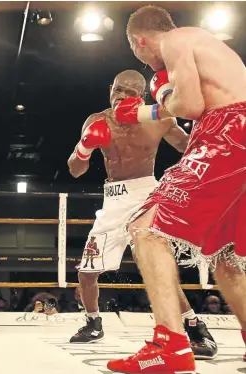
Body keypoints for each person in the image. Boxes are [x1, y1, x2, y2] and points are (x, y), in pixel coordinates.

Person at [106, 6, 246, 373]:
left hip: (228, 133)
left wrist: (148, 106)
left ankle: (171, 345)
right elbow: (197, 108)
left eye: (140, 55)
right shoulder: (207, 46)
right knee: (225, 254)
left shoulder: (178, 39)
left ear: (140, 41)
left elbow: (190, 105)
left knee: (145, 228)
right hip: (233, 136)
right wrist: (158, 104)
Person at [67, 70, 217, 359]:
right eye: (118, 90)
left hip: (147, 194)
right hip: (112, 199)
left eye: (130, 92)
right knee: (87, 271)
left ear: (141, 96)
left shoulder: (158, 119)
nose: (121, 96)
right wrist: (84, 147)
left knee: (154, 267)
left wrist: (206, 121)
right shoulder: (97, 120)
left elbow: (190, 147)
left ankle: (195, 327)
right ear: (110, 89)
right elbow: (75, 169)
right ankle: (93, 322)